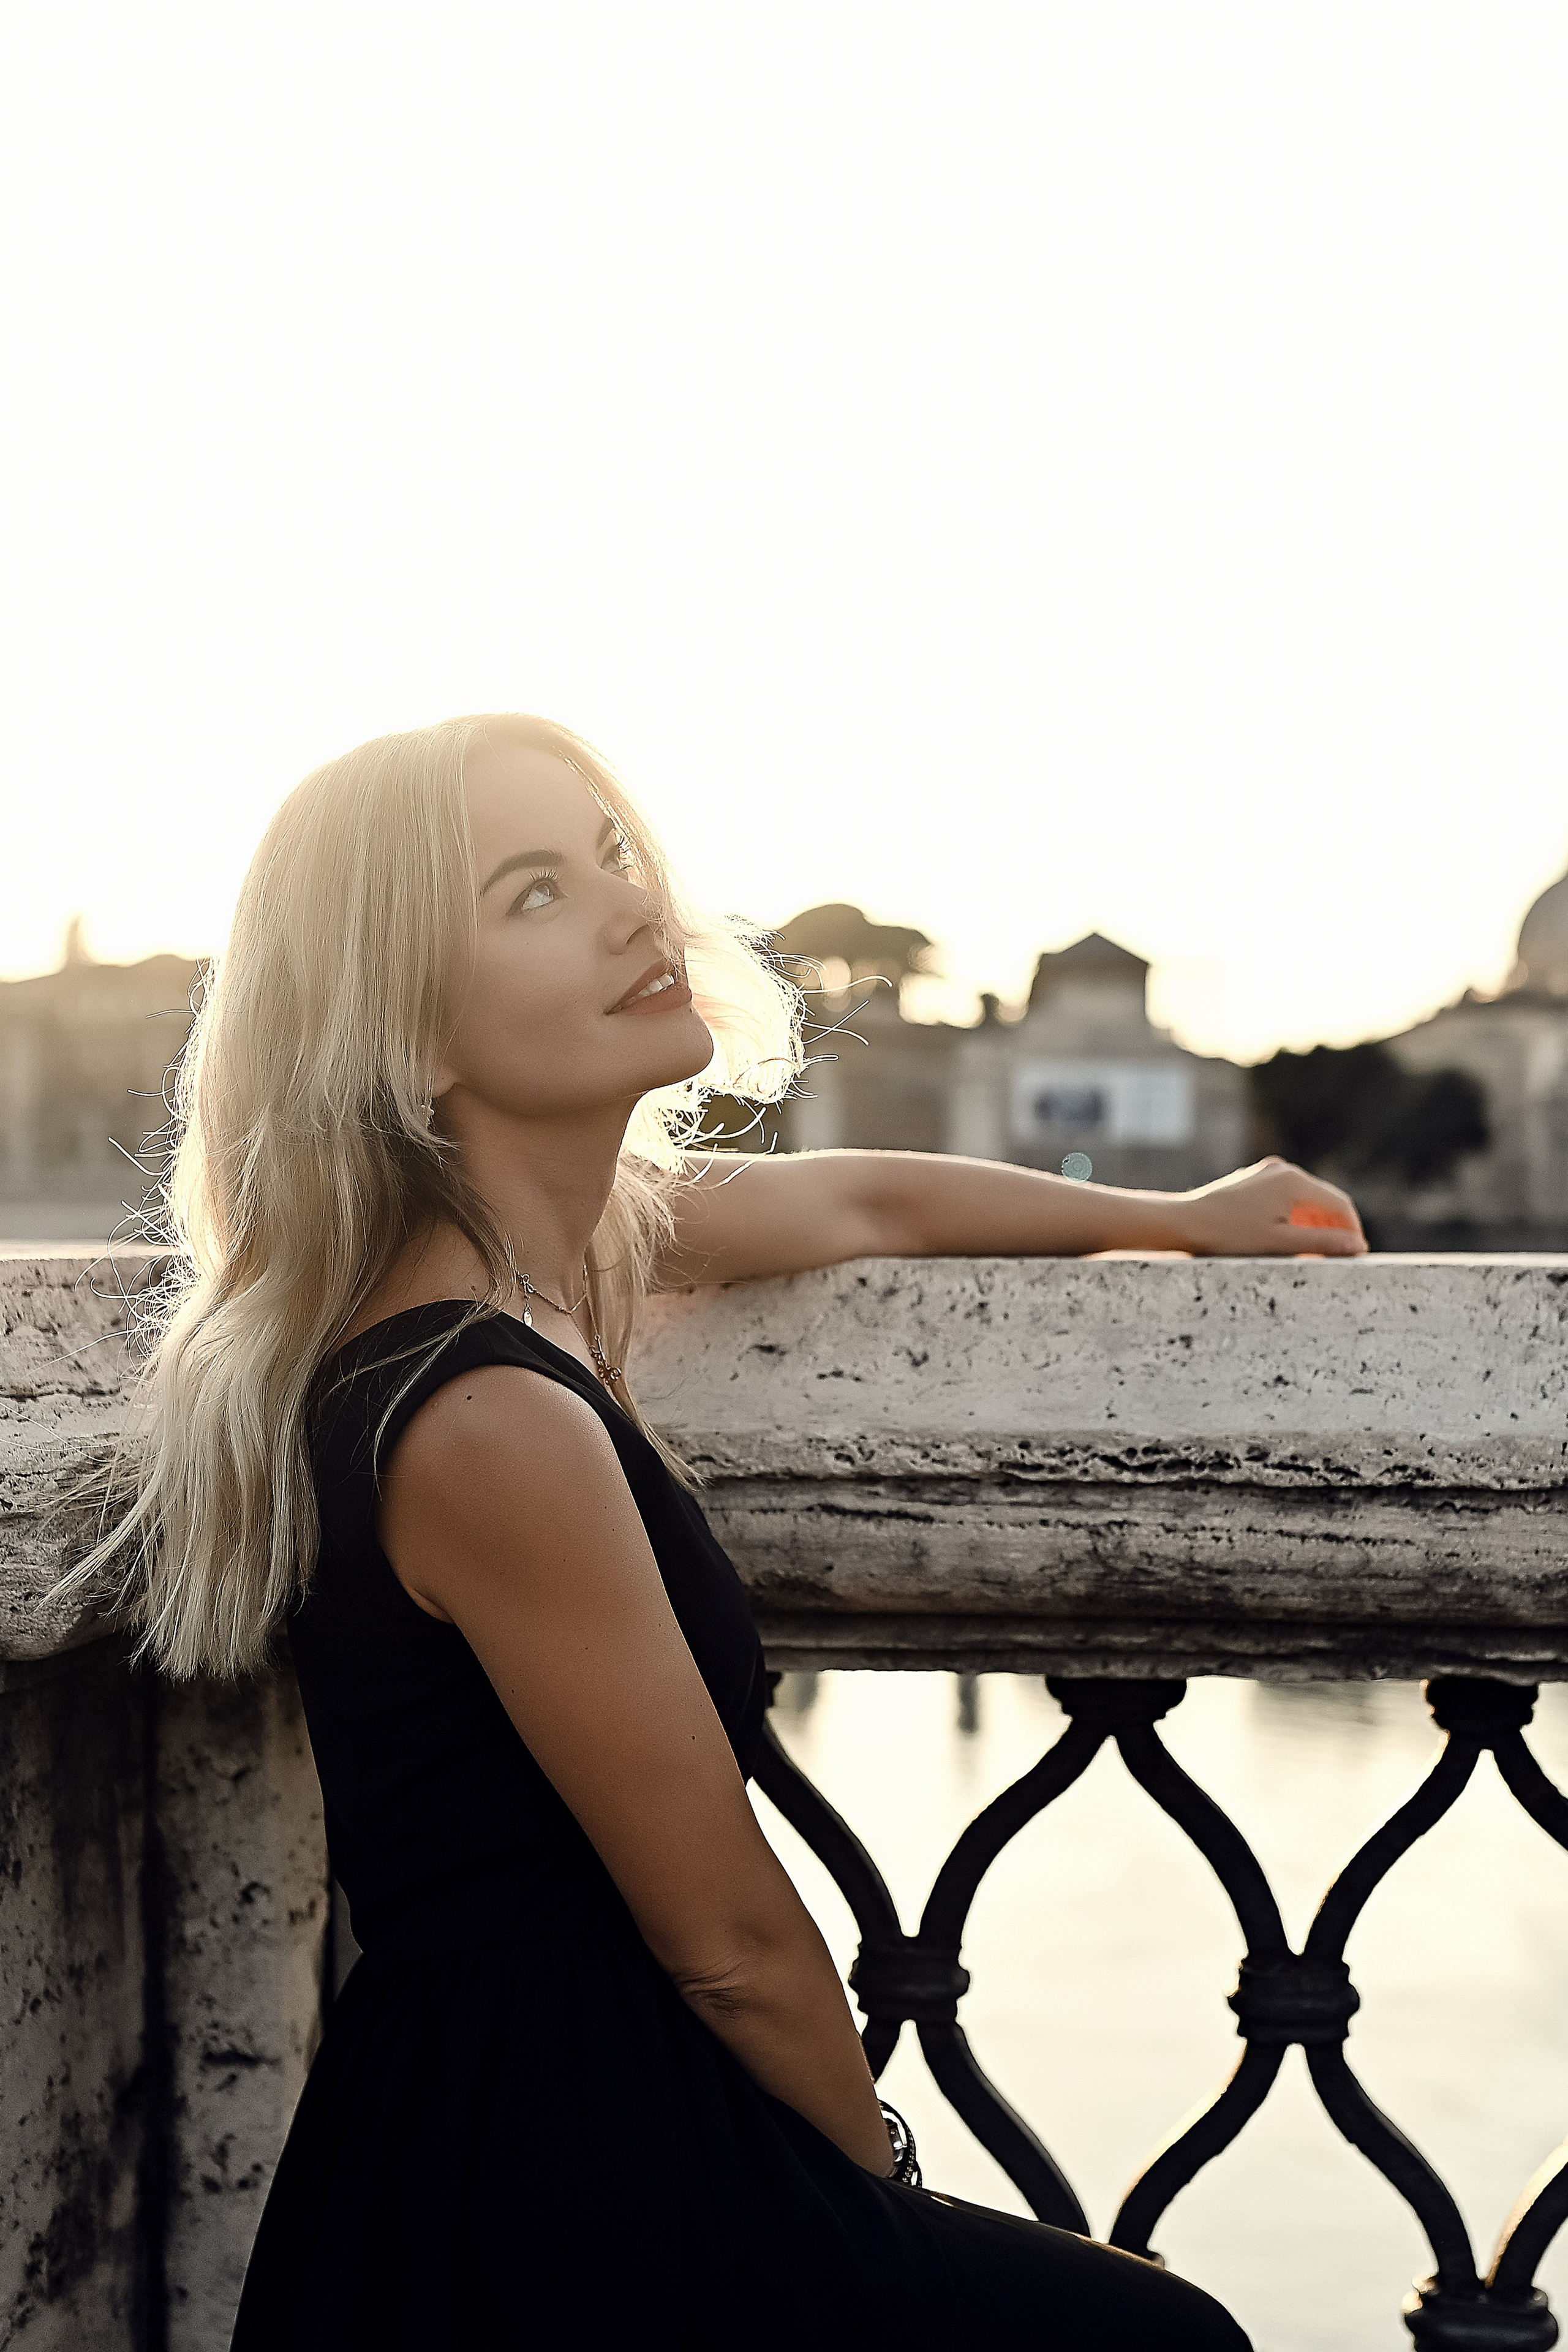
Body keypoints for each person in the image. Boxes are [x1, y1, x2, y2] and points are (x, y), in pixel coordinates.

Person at [69, 714, 1363, 2348]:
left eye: (613, 853)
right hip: (561, 2167)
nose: (634, 905)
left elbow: (868, 1202)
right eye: (535, 892)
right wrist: (873, 2197)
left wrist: (1173, 1218)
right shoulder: (489, 1418)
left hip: (526, 2120)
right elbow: (732, 1942)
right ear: (403, 1034)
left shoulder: (543, 1272)